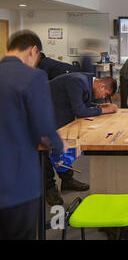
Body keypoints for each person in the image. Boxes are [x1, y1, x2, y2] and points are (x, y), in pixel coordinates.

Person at [0, 31, 65, 239]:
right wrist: (59, 144)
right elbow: (44, 129)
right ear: (33, 51)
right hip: (16, 183)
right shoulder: (32, 77)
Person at [44, 73, 118, 205]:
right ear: (101, 86)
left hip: (58, 113)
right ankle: (49, 188)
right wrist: (104, 111)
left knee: (61, 147)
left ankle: (67, 180)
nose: (104, 98)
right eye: (106, 94)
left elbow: (82, 101)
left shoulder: (87, 81)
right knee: (46, 149)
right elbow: (80, 111)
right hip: (45, 114)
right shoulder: (78, 82)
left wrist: (99, 106)